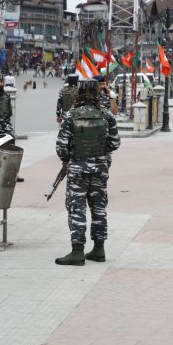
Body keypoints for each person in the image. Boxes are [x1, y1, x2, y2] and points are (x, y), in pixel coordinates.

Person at [54, 79, 121, 266]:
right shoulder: (106, 115)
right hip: (100, 170)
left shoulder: (71, 115)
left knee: (77, 209)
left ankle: (77, 252)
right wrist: (100, 154)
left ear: (79, 94)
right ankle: (99, 249)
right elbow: (115, 143)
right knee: (99, 209)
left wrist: (68, 160)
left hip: (78, 170)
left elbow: (61, 146)